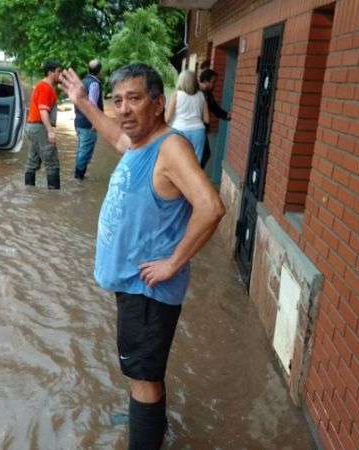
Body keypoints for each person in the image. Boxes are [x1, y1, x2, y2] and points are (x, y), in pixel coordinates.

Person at [59, 64, 225, 449]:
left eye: (134, 98)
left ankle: (145, 430)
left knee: (143, 376)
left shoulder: (170, 146)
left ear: (159, 103)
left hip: (149, 288)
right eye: (118, 101)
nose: (124, 109)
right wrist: (84, 103)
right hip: (135, 286)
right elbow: (115, 135)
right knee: (144, 371)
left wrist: (172, 263)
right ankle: (149, 421)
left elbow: (211, 207)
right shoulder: (141, 144)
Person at [24, 60, 63, 189]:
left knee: (32, 162)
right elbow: (43, 111)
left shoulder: (41, 86)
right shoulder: (46, 88)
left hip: (33, 127)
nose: (60, 74)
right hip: (39, 127)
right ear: (50, 73)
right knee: (52, 162)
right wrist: (50, 131)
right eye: (58, 71)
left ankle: (29, 190)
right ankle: (54, 197)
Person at [164, 69, 210, 163]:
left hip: (180, 131)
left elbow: (167, 118)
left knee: (178, 163)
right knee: (195, 164)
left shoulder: (176, 95)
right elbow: (207, 120)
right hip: (198, 132)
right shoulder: (201, 95)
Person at [73, 59, 104, 180]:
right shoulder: (94, 84)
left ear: (88, 69)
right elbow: (92, 105)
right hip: (88, 123)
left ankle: (79, 176)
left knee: (81, 149)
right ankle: (79, 177)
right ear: (99, 71)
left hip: (78, 121)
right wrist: (95, 122)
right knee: (85, 151)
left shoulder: (81, 82)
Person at [198, 68, 231, 169]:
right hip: (194, 130)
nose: (215, 85)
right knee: (203, 154)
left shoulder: (208, 95)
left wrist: (226, 115)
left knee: (203, 154)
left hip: (201, 130)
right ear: (206, 82)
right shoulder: (196, 93)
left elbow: (215, 109)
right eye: (213, 82)